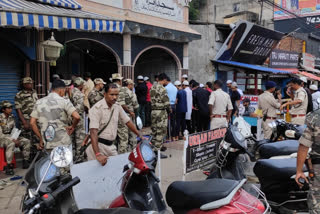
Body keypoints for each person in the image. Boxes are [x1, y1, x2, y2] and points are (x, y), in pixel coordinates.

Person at [86, 83, 143, 165]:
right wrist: (98, 154)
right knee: (97, 175)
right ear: (105, 94)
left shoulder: (117, 106)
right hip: (97, 146)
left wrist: (139, 135)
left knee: (116, 170)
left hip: (111, 146)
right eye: (112, 94)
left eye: (116, 95)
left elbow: (128, 122)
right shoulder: (96, 108)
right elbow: (93, 132)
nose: (115, 97)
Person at [30, 80, 80, 151]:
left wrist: (41, 138)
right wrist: (73, 127)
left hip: (47, 142)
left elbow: (32, 123)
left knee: (50, 161)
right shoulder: (64, 101)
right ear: (61, 90)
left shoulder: (39, 102)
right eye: (64, 91)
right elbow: (77, 117)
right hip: (63, 142)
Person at [295, 109, 320, 213]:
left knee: (317, 202)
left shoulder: (316, 116)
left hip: (318, 167)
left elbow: (304, 145)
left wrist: (299, 171)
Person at [0, 101, 31, 174]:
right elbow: (0, 134)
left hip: (11, 137)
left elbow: (14, 129)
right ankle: (8, 166)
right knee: (11, 144)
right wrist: (13, 140)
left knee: (26, 141)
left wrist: (16, 137)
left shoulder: (12, 117)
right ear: (3, 109)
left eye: (11, 108)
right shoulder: (0, 118)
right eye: (8, 108)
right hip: (2, 138)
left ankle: (25, 161)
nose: (10, 109)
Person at [15, 77, 38, 153]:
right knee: (27, 139)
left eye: (31, 83)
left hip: (35, 120)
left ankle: (35, 156)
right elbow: (18, 109)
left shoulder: (34, 92)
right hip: (26, 120)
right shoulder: (19, 95)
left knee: (36, 138)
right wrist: (24, 122)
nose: (30, 84)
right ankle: (27, 159)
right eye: (28, 83)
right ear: (24, 85)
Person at [150, 73, 170, 158]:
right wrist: (169, 109)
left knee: (154, 131)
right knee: (160, 132)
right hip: (161, 112)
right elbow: (166, 103)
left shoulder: (152, 87)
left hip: (153, 111)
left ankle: (152, 149)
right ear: (164, 79)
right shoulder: (162, 89)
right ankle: (157, 152)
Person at [117, 79, 139, 154]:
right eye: (132, 84)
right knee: (132, 135)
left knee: (123, 137)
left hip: (119, 117)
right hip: (129, 116)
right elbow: (135, 105)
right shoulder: (130, 93)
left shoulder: (117, 91)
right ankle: (134, 153)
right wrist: (131, 112)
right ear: (129, 84)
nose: (133, 86)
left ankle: (123, 154)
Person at [70, 77, 86, 160]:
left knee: (71, 138)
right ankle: (79, 157)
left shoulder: (70, 91)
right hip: (77, 118)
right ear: (80, 85)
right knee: (79, 138)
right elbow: (79, 108)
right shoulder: (78, 93)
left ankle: (71, 156)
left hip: (70, 118)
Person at [165, 77, 178, 141]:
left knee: (168, 122)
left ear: (166, 81)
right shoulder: (175, 88)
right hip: (174, 106)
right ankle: (173, 136)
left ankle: (168, 137)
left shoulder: (166, 88)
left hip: (168, 106)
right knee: (173, 122)